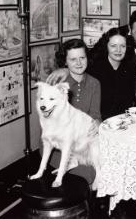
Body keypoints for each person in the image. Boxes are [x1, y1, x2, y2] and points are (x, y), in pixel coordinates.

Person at [43, 39, 101, 187]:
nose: (79, 63)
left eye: (82, 58)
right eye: (73, 59)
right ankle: (84, 207)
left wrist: (96, 123)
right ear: (65, 62)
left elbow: (96, 114)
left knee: (108, 165)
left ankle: (94, 206)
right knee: (89, 174)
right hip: (58, 145)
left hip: (83, 141)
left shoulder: (94, 83)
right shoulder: (57, 84)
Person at [88, 27, 136, 120]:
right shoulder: (94, 69)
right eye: (113, 46)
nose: (118, 50)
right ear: (106, 46)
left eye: (122, 46)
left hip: (124, 123)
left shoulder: (130, 69)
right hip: (99, 123)